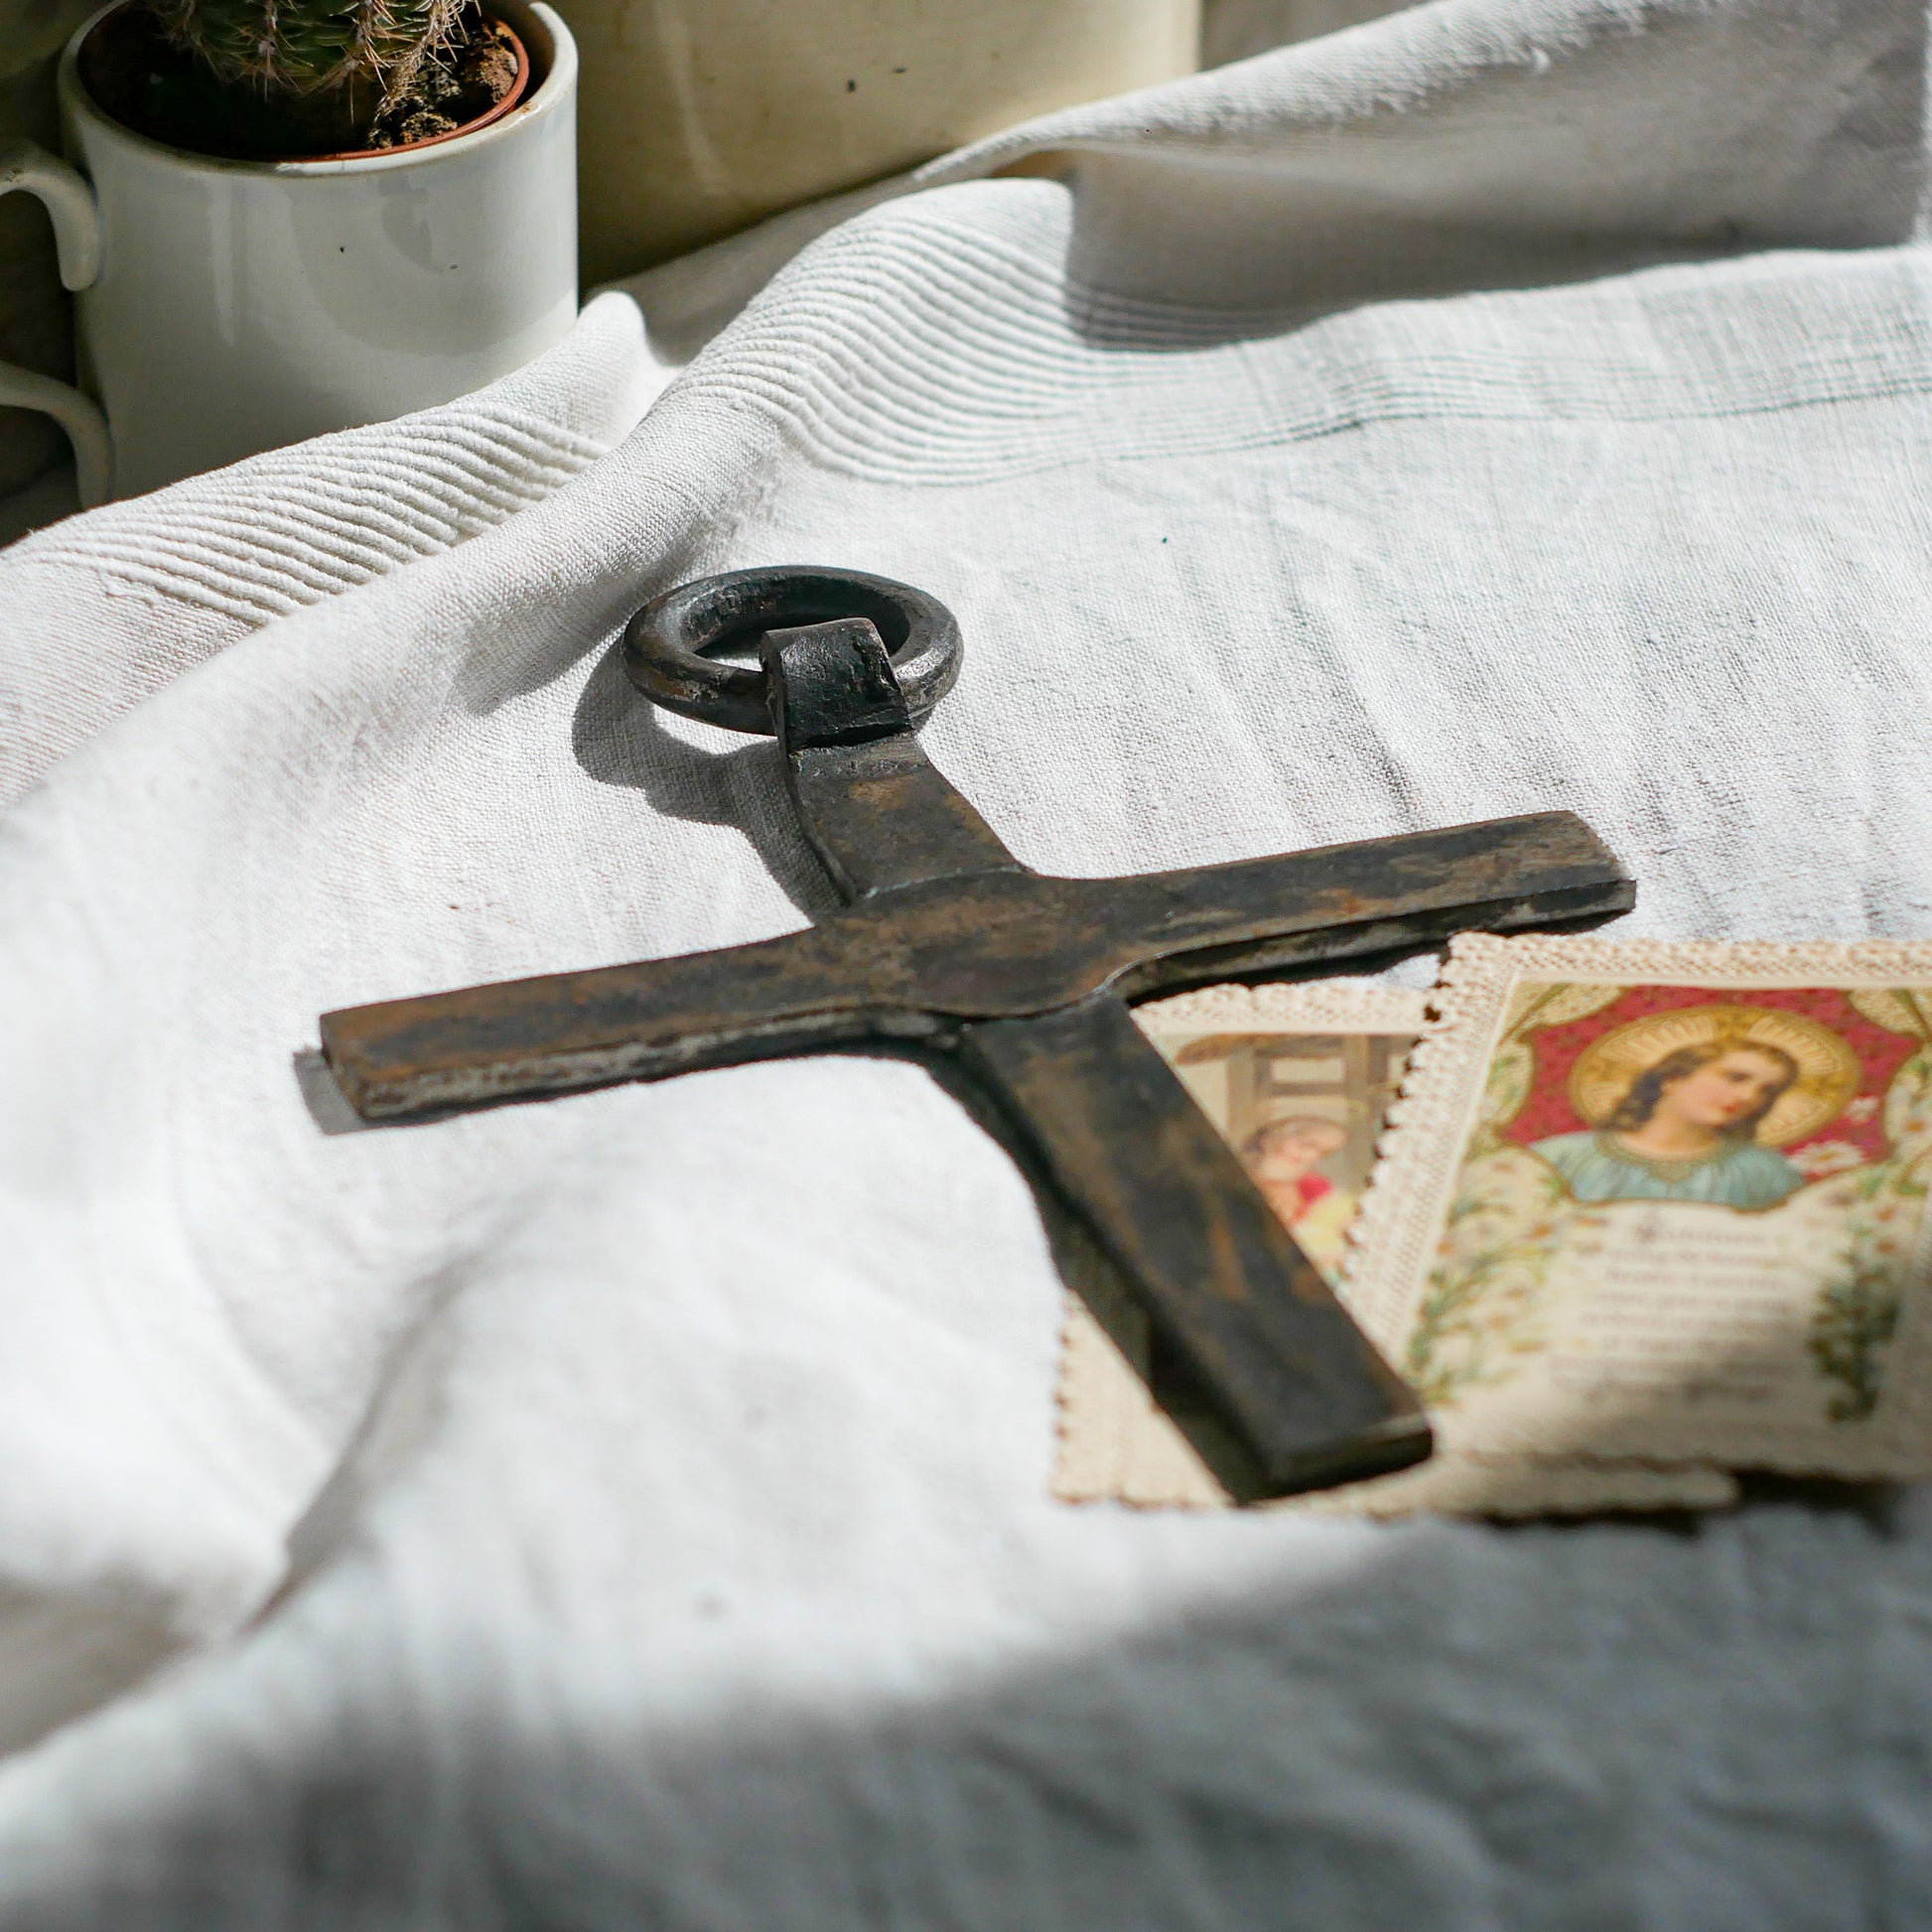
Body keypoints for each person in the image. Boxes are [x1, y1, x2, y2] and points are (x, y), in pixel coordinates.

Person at [1532, 1039, 1805, 1208]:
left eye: (1767, 1091)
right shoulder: (1558, 1157)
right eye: (1735, 1078)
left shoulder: (1766, 1172)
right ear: (1672, 1079)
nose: (1749, 1097)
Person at [1241, 1117, 1348, 1226]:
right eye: (1306, 1145)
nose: (1311, 1157)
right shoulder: (1237, 1180)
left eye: (1323, 1153)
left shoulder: (1315, 1187)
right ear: (1267, 1140)